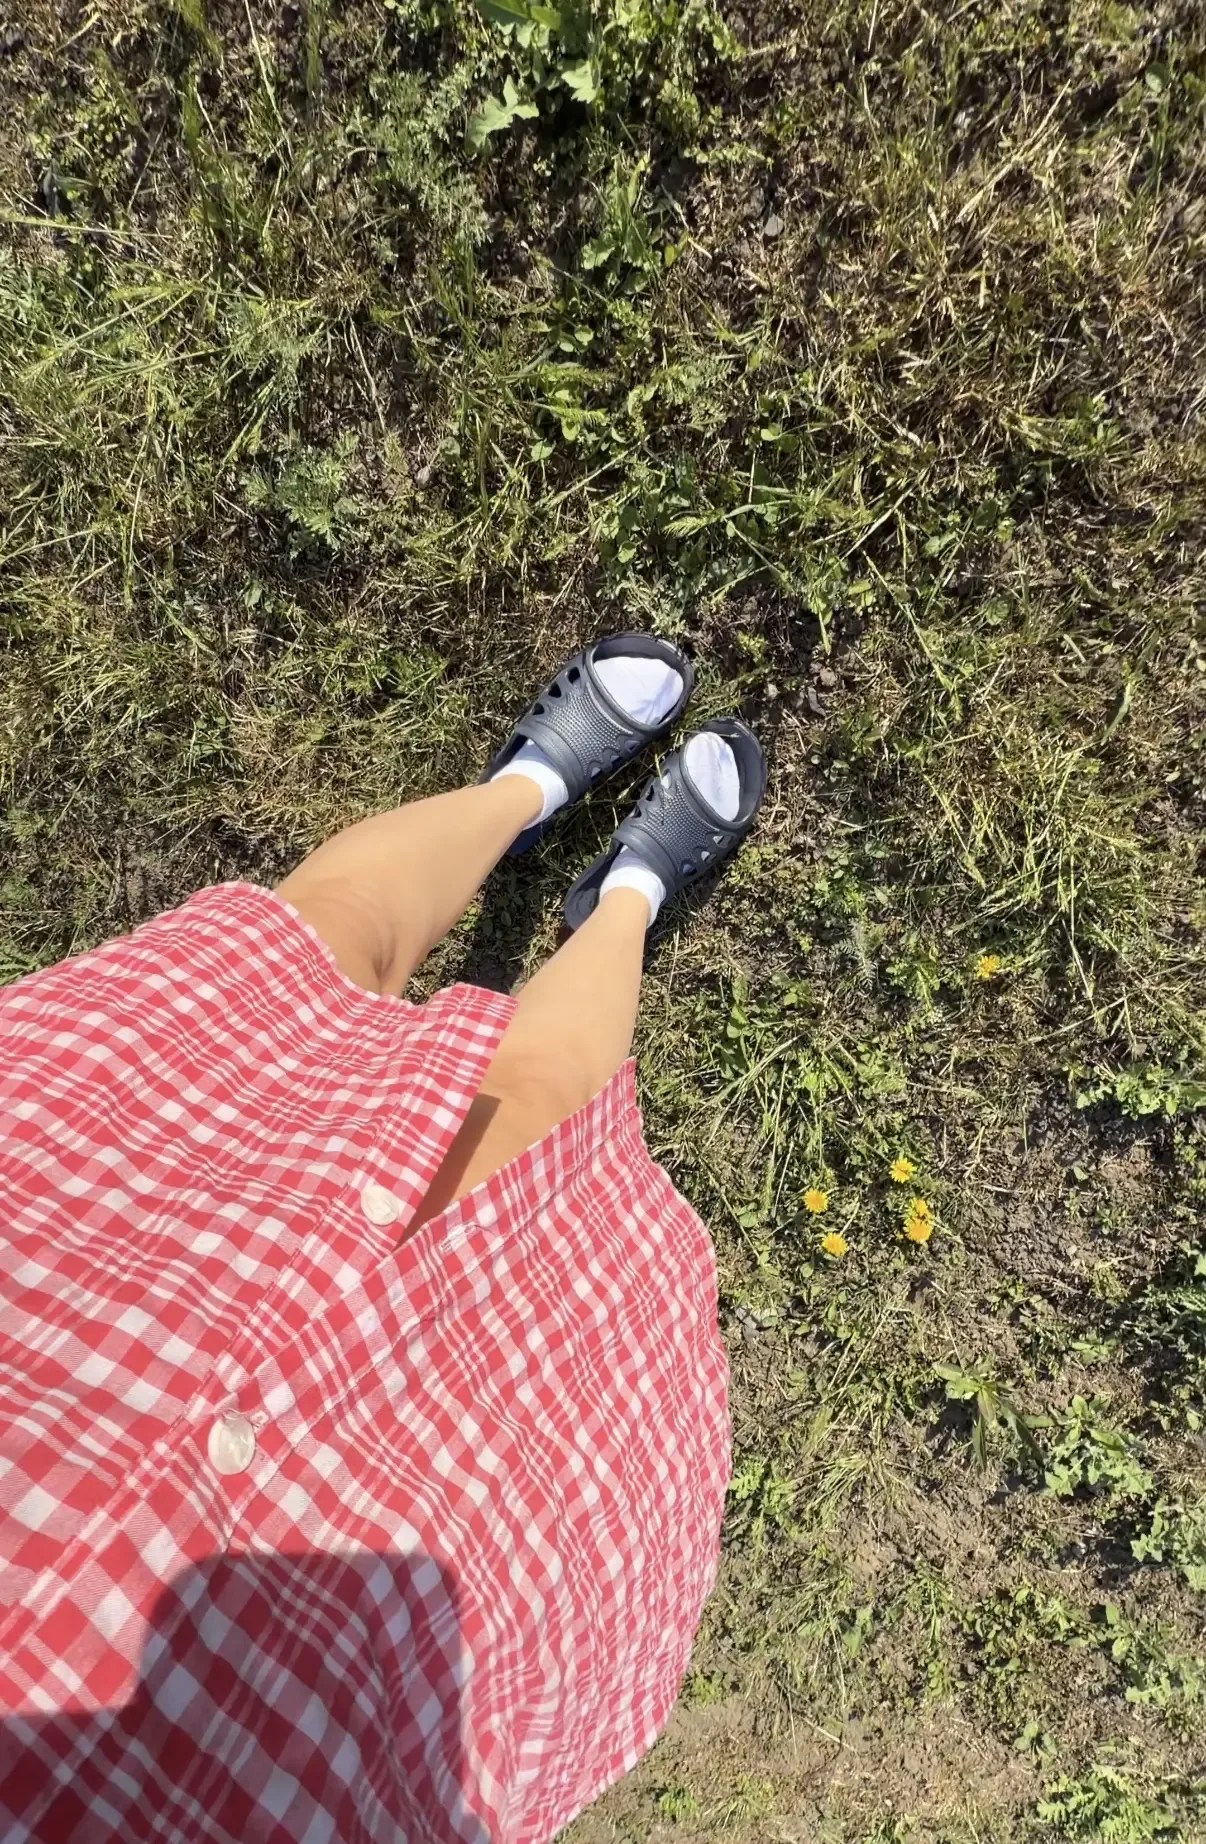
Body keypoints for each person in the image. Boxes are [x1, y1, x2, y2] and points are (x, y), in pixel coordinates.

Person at [0, 634, 767, 1844]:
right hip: (266, 1741)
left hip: (47, 1269)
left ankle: (523, 790)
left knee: (309, 945)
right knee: (534, 1115)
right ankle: (628, 896)